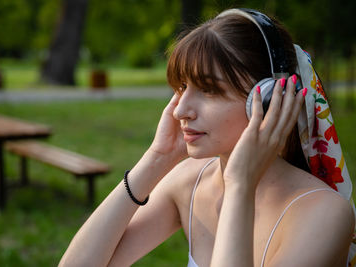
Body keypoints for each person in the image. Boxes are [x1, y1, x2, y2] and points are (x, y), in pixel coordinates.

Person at [59, 8, 356, 267]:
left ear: (269, 100)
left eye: (210, 90)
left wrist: (240, 185)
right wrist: (157, 159)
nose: (181, 110)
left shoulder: (325, 214)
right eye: (183, 86)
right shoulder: (190, 182)